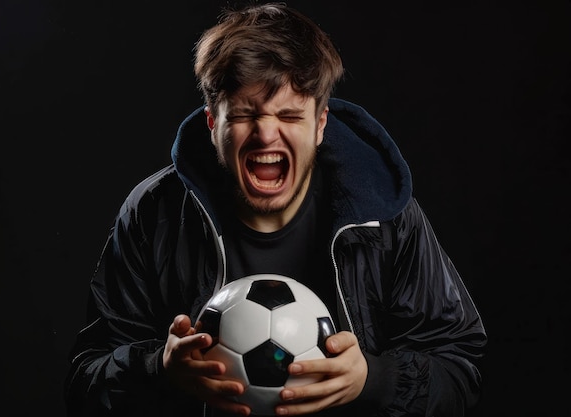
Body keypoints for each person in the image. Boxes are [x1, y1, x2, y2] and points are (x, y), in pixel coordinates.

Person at [64, 2, 487, 416]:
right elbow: (85, 381)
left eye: (288, 115)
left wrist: (373, 380)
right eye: (246, 113)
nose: (267, 134)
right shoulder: (154, 214)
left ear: (321, 123)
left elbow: (460, 370)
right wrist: (160, 370)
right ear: (213, 123)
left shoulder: (385, 218)